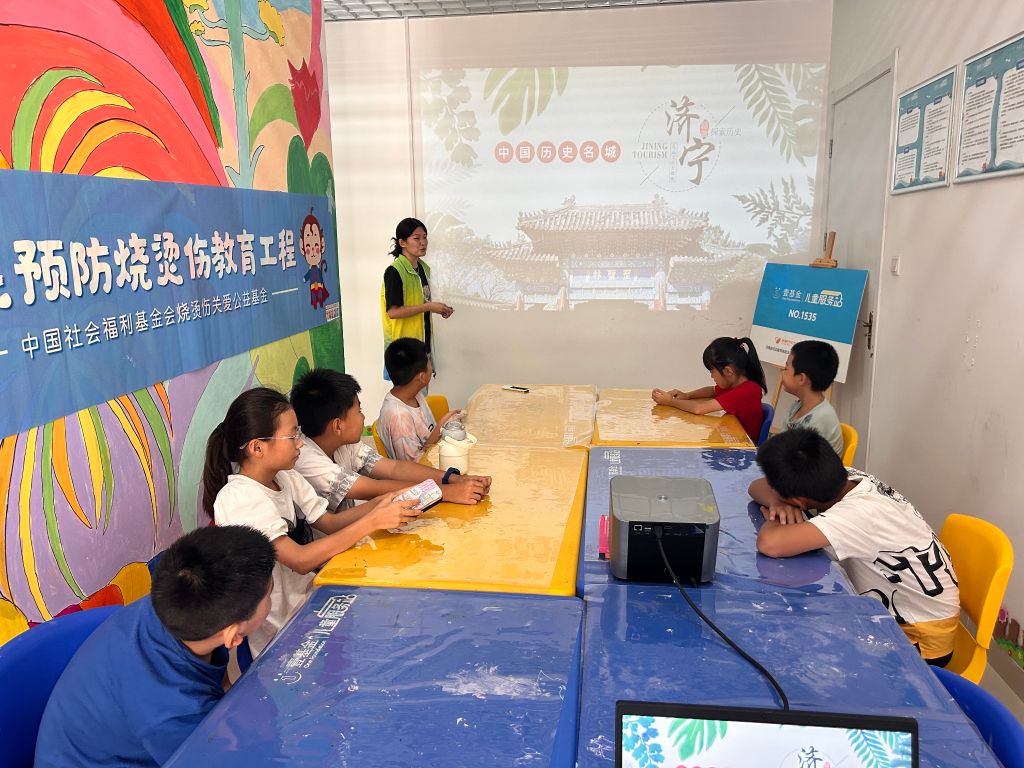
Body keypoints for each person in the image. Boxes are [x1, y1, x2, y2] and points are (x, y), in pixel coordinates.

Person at [201, 387, 419, 655]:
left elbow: (329, 522)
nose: (300, 443)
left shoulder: (284, 476)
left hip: (311, 603)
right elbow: (300, 560)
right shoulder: (240, 498)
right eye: (292, 435)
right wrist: (372, 521)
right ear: (257, 447)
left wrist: (381, 503)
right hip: (281, 634)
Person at [35, 526, 276, 767]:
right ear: (232, 635)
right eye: (269, 594)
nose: (271, 597)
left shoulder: (176, 604)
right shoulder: (176, 711)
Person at [752, 429, 960, 665]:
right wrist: (778, 502)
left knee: (797, 649)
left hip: (919, 636)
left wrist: (775, 516)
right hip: (920, 610)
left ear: (799, 501)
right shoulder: (848, 479)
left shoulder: (857, 515)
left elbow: (770, 543)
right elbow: (756, 486)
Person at [291, 368, 490, 509]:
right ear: (337, 426)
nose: (363, 416)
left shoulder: (341, 442)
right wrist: (445, 492)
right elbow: (374, 488)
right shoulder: (307, 460)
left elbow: (394, 468)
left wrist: (453, 479)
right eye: (358, 410)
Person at [651, 336, 767, 442]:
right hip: (733, 436)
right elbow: (712, 391)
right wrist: (687, 395)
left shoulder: (748, 390)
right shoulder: (735, 384)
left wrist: (670, 401)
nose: (711, 376)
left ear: (728, 371)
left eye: (712, 371)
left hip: (745, 448)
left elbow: (699, 409)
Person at [380, 217, 453, 379]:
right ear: (402, 242)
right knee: (410, 395)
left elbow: (421, 303)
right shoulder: (395, 271)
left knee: (421, 394)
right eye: (417, 238)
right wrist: (429, 307)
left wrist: (439, 308)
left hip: (422, 346)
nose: (423, 243)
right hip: (404, 351)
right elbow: (393, 312)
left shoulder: (423, 269)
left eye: (425, 237)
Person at [379, 337, 464, 462]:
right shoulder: (400, 418)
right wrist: (440, 428)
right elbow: (414, 466)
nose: (431, 367)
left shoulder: (414, 394)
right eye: (429, 362)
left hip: (434, 457)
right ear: (422, 377)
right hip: (420, 472)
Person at [780, 340, 843, 454]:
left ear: (801, 378)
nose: (782, 372)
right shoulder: (797, 407)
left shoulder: (821, 419)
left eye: (786, 368)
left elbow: (800, 463)